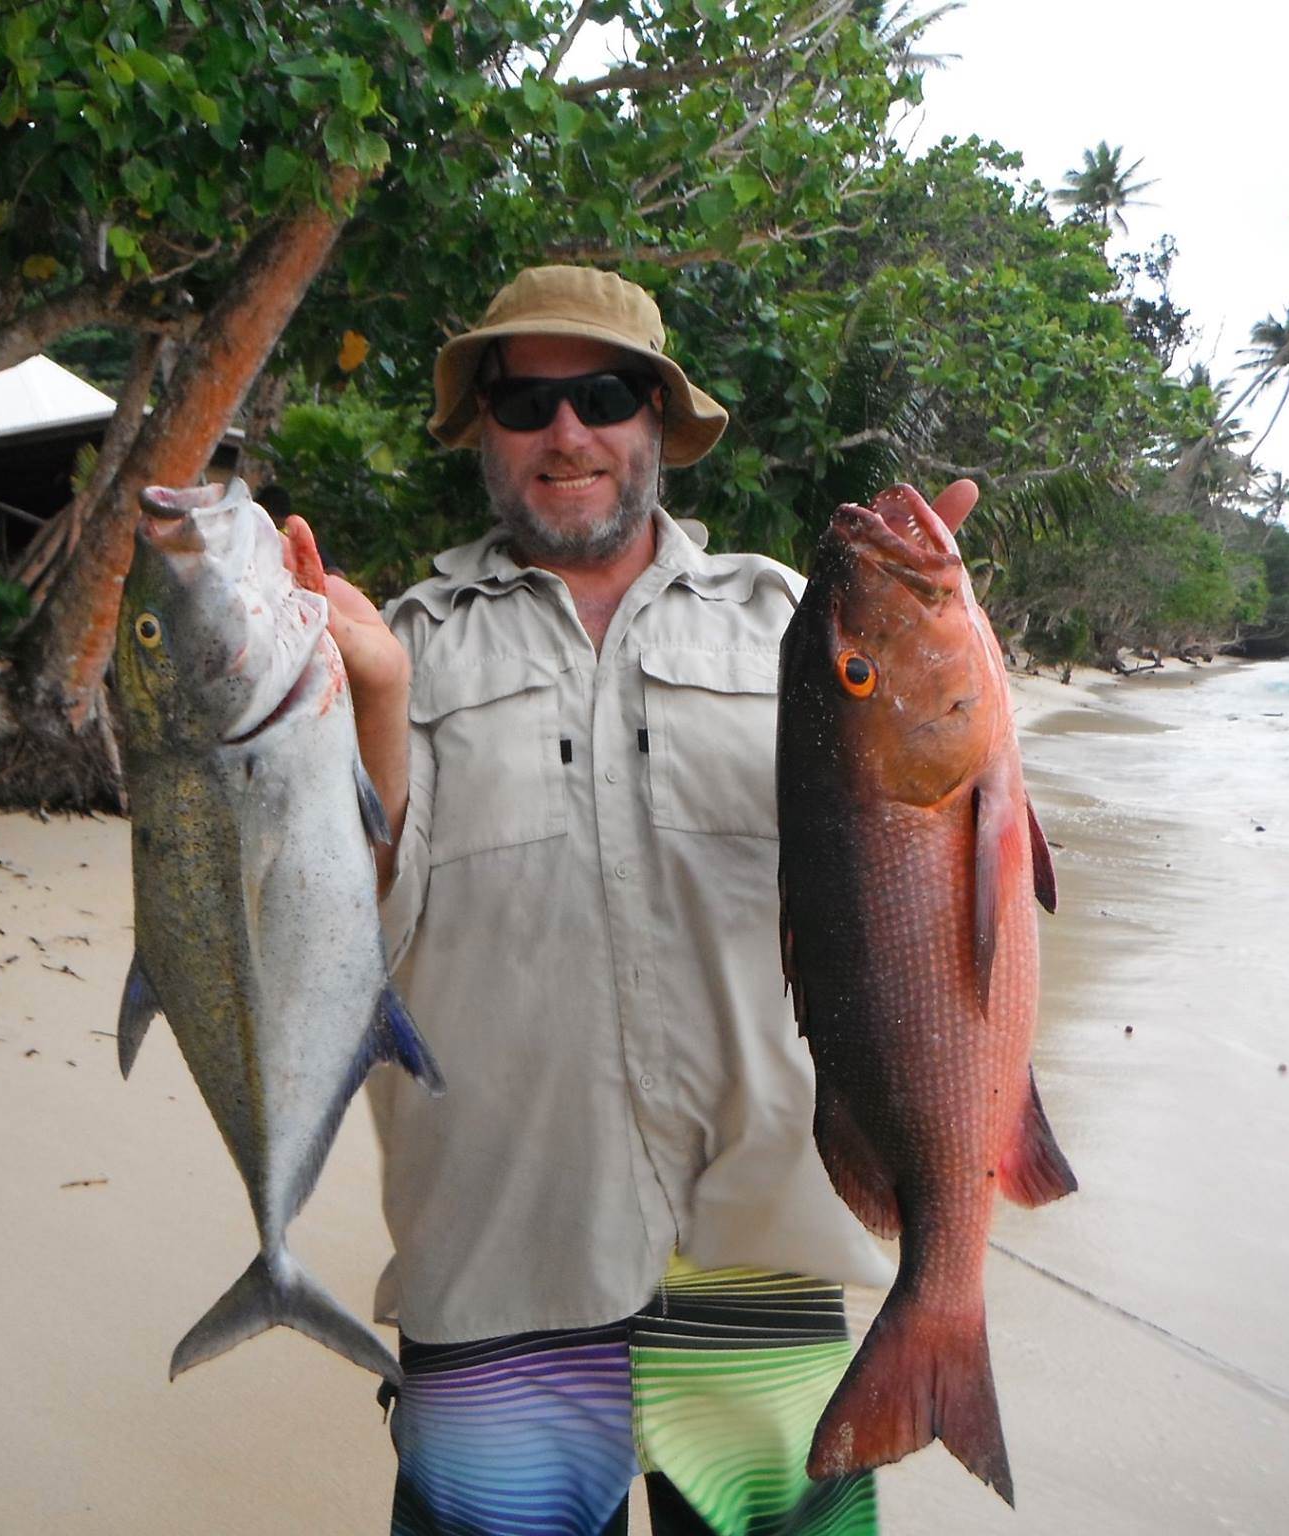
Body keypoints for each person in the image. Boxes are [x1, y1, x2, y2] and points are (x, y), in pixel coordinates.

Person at [306, 266, 894, 1536]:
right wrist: (367, 702)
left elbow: (902, 884)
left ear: (656, 419)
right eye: (525, 403)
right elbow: (344, 943)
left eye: (604, 395)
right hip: (500, 1249)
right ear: (483, 429)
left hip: (755, 1252)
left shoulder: (797, 625)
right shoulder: (399, 649)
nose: (565, 431)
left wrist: (940, 662)